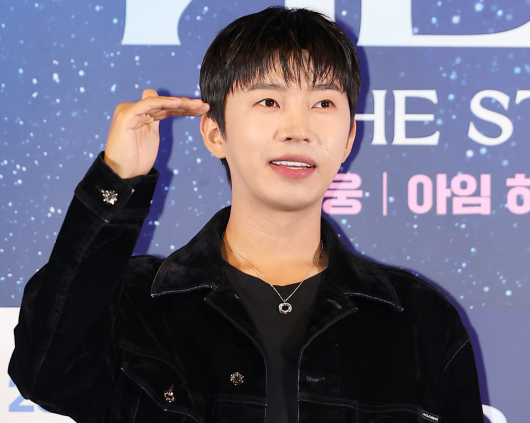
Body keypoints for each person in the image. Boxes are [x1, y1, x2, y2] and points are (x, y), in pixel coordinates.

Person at [9, 6, 484, 423]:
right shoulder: (139, 305)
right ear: (215, 133)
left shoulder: (417, 320)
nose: (297, 129)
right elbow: (46, 370)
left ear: (347, 141)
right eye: (269, 101)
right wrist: (117, 178)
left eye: (322, 103)